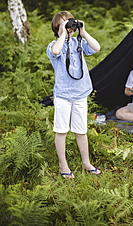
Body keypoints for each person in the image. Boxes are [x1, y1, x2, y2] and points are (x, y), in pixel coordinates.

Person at [47, 11, 101, 178]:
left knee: (81, 130)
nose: (69, 26)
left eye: (70, 23)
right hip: (63, 94)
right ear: (57, 27)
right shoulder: (54, 45)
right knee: (61, 131)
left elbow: (96, 47)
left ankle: (86, 162)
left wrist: (82, 31)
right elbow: (56, 51)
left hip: (80, 93)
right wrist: (63, 33)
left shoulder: (79, 42)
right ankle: (63, 165)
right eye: (65, 23)